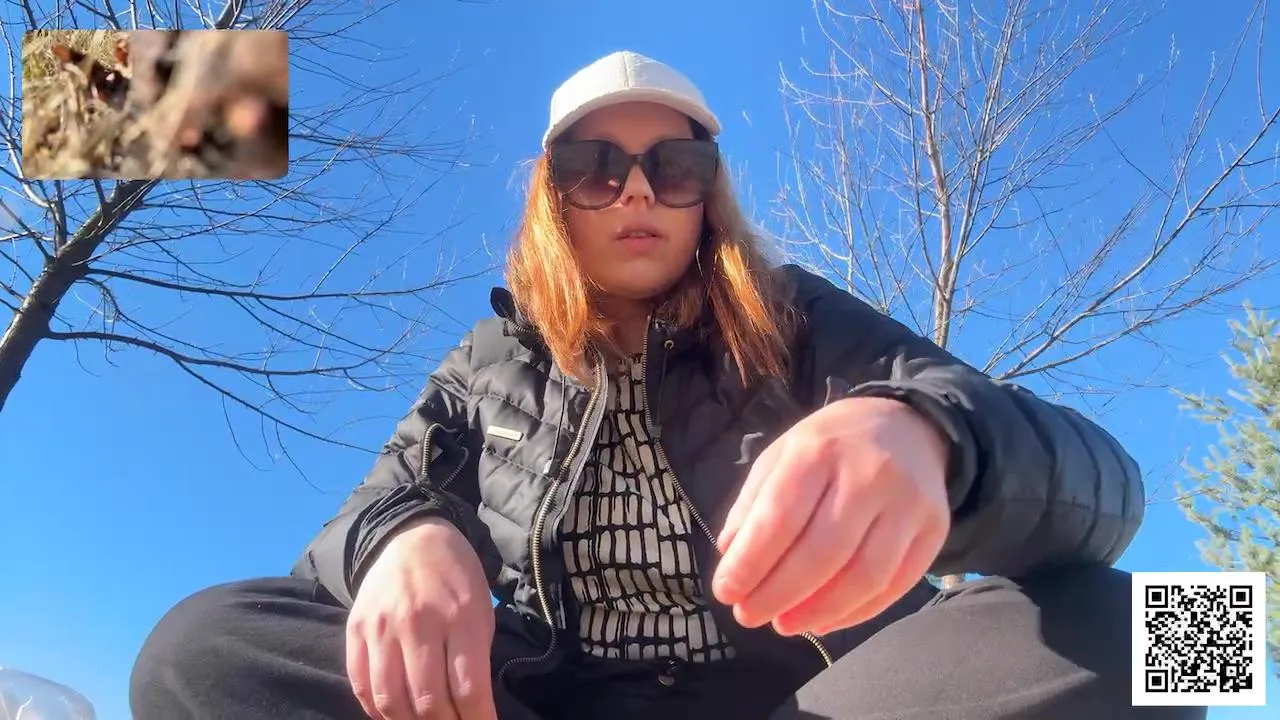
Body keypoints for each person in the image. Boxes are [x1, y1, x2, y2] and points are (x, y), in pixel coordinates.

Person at [129, 50, 1206, 720]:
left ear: (707, 196)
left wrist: (929, 435)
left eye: (673, 167)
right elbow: (358, 519)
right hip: (549, 701)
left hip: (822, 698)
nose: (636, 189)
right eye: (594, 166)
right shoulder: (488, 359)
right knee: (201, 649)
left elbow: (1103, 492)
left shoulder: (794, 316)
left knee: (1187, 632)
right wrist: (401, 539)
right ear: (555, 200)